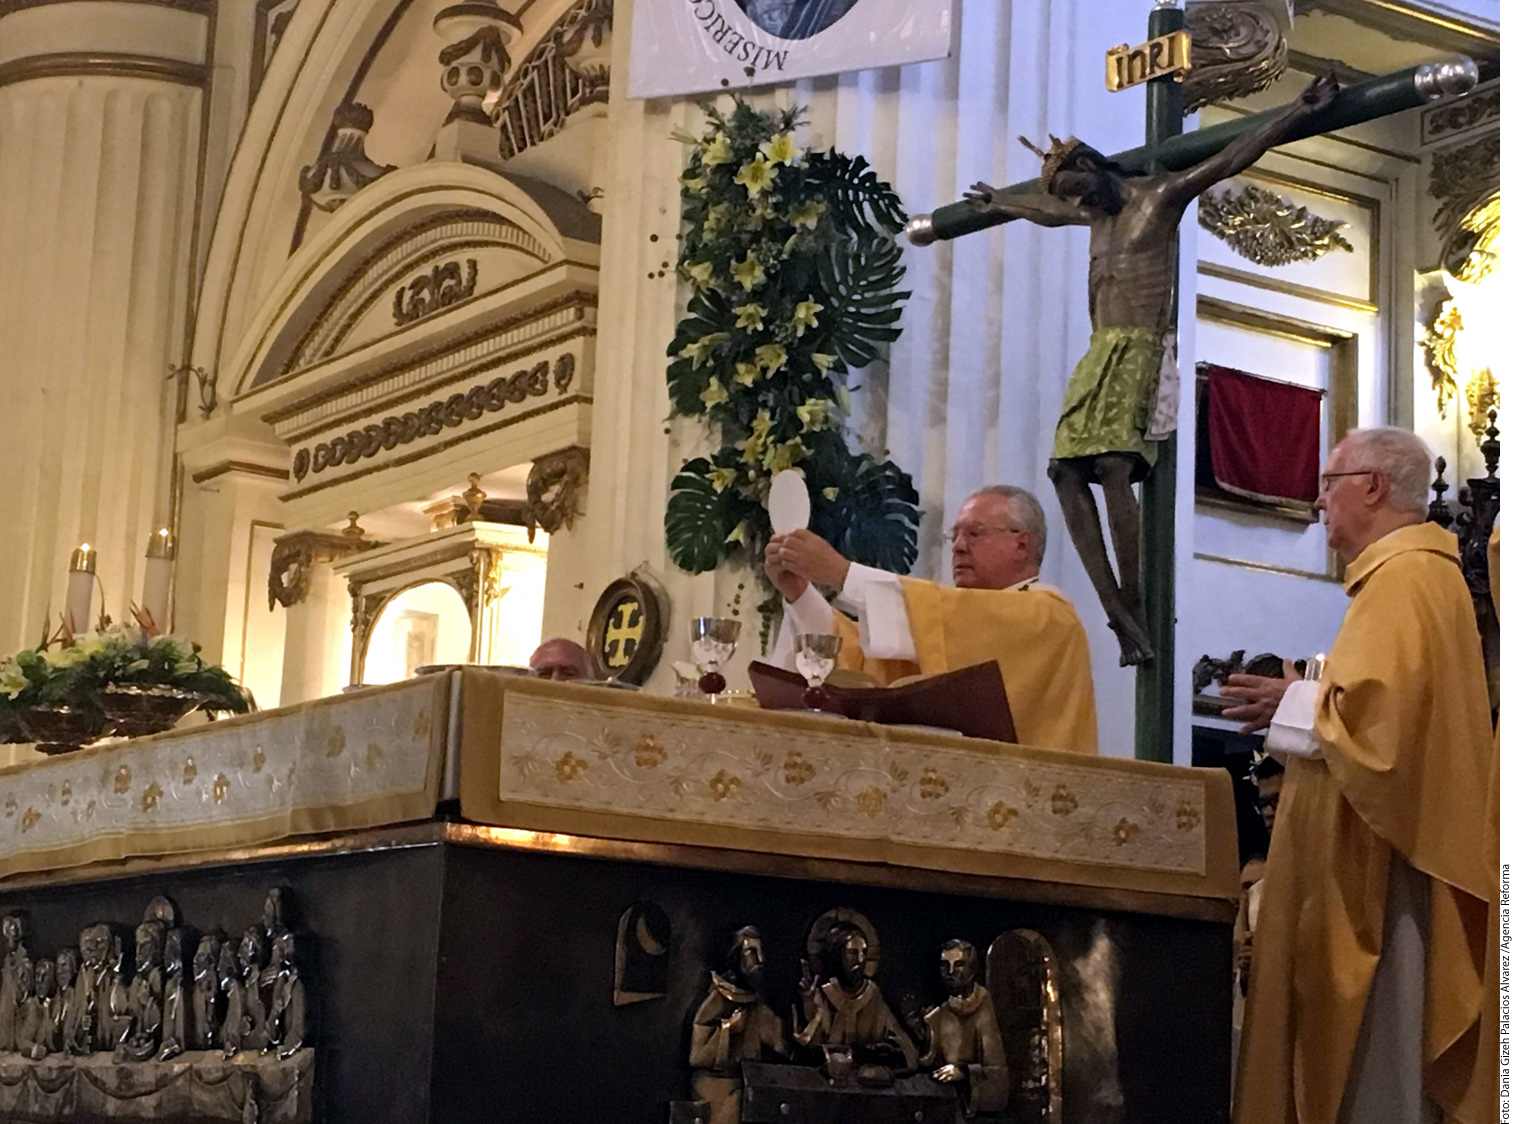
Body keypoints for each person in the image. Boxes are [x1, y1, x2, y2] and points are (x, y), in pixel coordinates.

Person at [966, 74, 1339, 665]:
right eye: (1071, 194)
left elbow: (1231, 156)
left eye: (1080, 185)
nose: (1078, 200)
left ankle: (1135, 604)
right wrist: (1001, 204)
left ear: (1099, 167)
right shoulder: (1094, 217)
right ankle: (1116, 610)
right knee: (1064, 470)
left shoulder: (1159, 195)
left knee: (1114, 465)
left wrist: (1295, 110)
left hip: (1139, 346)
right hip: (1100, 350)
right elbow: (1044, 212)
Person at [1233, 428, 1495, 1124]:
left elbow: (1378, 731)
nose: (1318, 501)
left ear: (1373, 487)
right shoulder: (1408, 576)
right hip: (1376, 852)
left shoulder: (1407, 577)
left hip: (1385, 879)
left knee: (1374, 1062)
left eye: (1328, 482)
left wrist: (1289, 700)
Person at [766, 485, 1098, 754]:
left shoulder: (1049, 616)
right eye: (954, 536)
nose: (959, 547)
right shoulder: (952, 620)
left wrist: (840, 572)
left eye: (975, 533)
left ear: (1021, 544)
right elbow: (864, 662)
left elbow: (951, 615)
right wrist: (800, 594)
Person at [689, 926, 788, 1124]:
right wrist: (727, 1029)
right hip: (715, 1086)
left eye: (760, 952)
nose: (759, 960)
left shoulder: (754, 1000)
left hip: (746, 1085)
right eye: (751, 952)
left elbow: (779, 1037)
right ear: (735, 957)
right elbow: (697, 1052)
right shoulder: (718, 995)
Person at [915, 939, 1009, 1116]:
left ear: (971, 970)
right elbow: (927, 1062)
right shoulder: (939, 1013)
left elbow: (997, 1077)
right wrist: (920, 1032)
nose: (950, 972)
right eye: (945, 966)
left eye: (958, 965)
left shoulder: (983, 1007)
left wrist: (964, 1072)